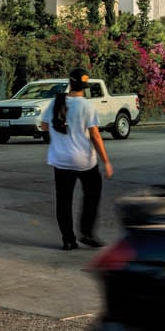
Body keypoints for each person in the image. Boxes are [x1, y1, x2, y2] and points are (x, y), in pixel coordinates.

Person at [47, 70, 111, 251]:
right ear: (85, 86)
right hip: (84, 161)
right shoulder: (86, 105)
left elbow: (44, 125)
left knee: (63, 200)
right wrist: (106, 161)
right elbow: (95, 135)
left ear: (70, 82)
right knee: (92, 194)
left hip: (60, 160)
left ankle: (68, 240)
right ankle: (87, 233)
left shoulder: (55, 102)